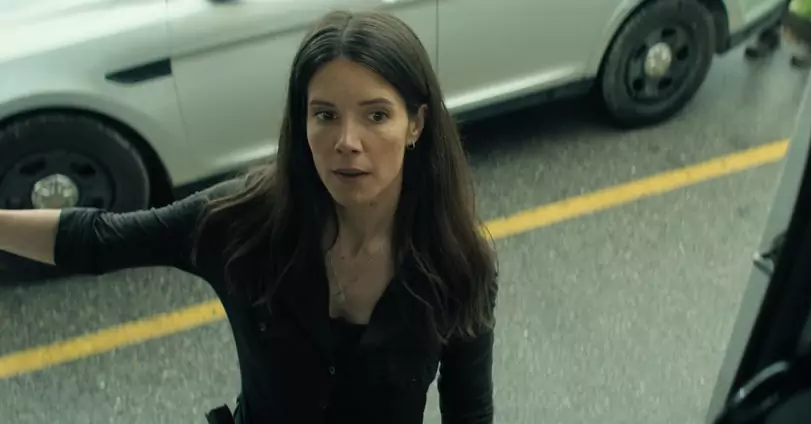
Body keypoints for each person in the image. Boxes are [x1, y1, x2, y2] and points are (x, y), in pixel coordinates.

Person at [0, 10, 498, 424]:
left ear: (416, 124)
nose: (347, 141)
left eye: (376, 115)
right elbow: (99, 240)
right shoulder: (243, 222)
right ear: (302, 121)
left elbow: (469, 411)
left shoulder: (457, 260)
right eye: (325, 115)